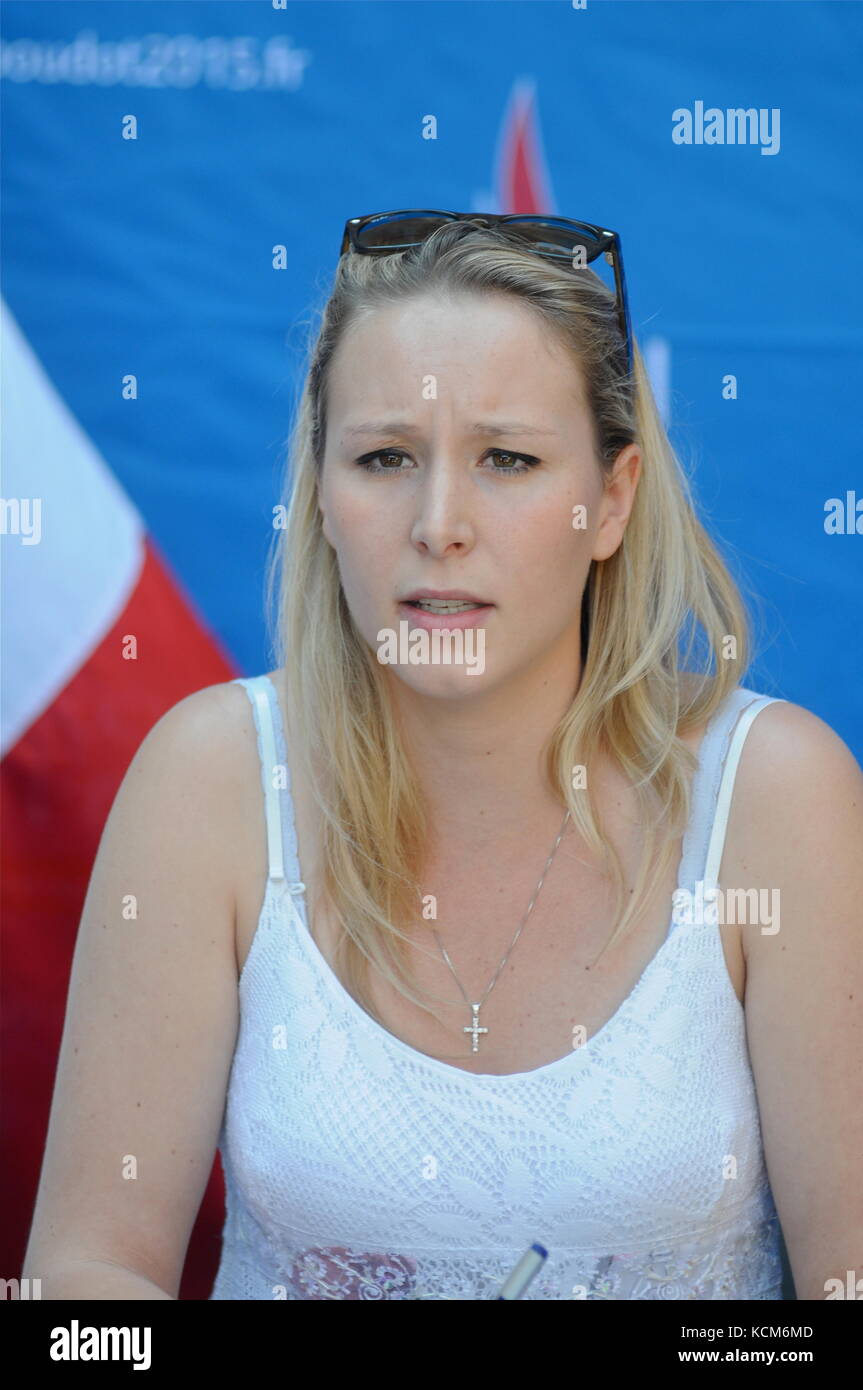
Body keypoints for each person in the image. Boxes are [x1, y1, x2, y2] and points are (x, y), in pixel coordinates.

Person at [22, 213, 863, 1301]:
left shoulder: (773, 796)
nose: (438, 523)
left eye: (505, 458)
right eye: (384, 457)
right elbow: (83, 1285)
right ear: (320, 495)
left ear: (609, 501)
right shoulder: (210, 781)